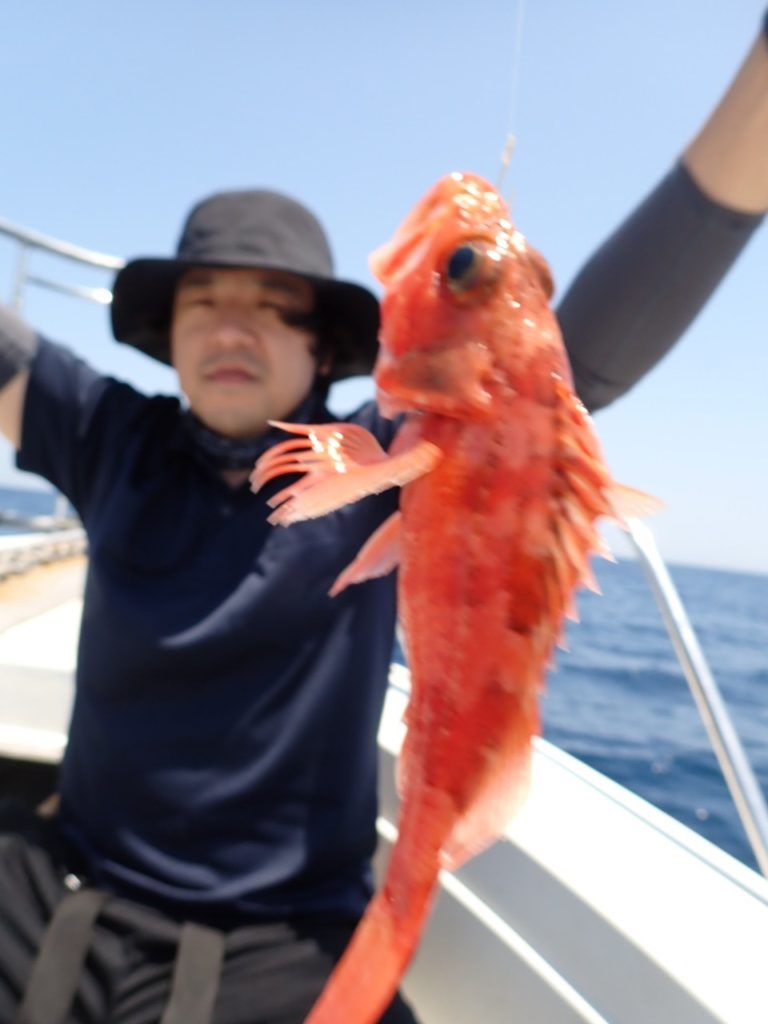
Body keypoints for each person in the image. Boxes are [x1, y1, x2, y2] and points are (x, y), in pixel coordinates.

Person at [0, 13, 767, 1024]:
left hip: (289, 938)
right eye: (203, 300)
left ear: (325, 347)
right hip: (67, 876)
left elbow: (576, 359)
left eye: (274, 304)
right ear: (169, 334)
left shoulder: (396, 457)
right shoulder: (106, 436)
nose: (232, 326)